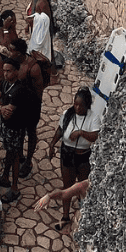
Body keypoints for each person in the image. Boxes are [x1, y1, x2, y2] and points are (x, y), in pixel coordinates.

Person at [47, 88, 102, 231]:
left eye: (80, 105)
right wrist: (52, 144)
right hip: (67, 154)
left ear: (87, 105)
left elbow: (95, 136)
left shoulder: (93, 117)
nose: (77, 108)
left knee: (84, 186)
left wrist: (81, 133)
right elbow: (60, 130)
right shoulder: (68, 114)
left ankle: (83, 215)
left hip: (83, 156)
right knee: (67, 186)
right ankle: (65, 216)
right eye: (75, 104)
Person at [0, 58, 33, 202]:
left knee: (15, 156)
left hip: (15, 128)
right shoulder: (5, 83)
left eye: (8, 71)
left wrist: (1, 108)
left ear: (16, 72)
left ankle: (15, 188)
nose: (5, 74)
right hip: (6, 126)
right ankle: (5, 177)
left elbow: (8, 112)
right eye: (4, 71)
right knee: (9, 152)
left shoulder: (19, 90)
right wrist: (1, 108)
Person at [9, 37, 45, 177]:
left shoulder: (33, 68)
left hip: (31, 106)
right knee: (19, 132)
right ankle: (19, 156)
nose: (9, 52)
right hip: (18, 105)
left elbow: (39, 91)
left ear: (19, 53)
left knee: (31, 132)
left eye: (12, 50)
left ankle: (28, 161)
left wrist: (33, 109)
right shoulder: (14, 62)